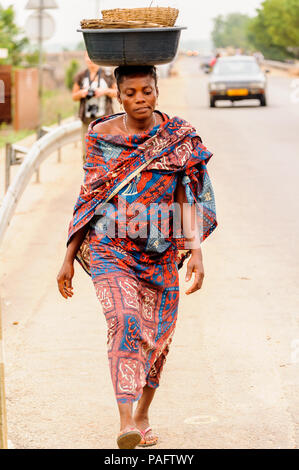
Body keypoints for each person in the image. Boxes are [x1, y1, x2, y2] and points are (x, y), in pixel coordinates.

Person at [57, 65, 217, 449]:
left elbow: (186, 199)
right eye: (130, 93)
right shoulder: (101, 136)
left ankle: (143, 413)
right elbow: (90, 198)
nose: (139, 99)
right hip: (110, 248)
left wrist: (195, 253)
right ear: (118, 95)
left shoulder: (177, 137)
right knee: (125, 321)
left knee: (158, 339)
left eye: (146, 90)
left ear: (157, 90)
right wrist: (68, 256)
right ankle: (126, 421)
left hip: (159, 253)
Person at [72, 52, 117, 163]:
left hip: (104, 120)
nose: (89, 60)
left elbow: (117, 93)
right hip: (87, 120)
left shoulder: (107, 75)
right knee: (86, 154)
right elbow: (74, 96)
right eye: (87, 57)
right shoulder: (81, 76)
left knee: (106, 152)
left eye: (91, 56)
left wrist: (104, 91)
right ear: (84, 58)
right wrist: (82, 93)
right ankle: (89, 178)